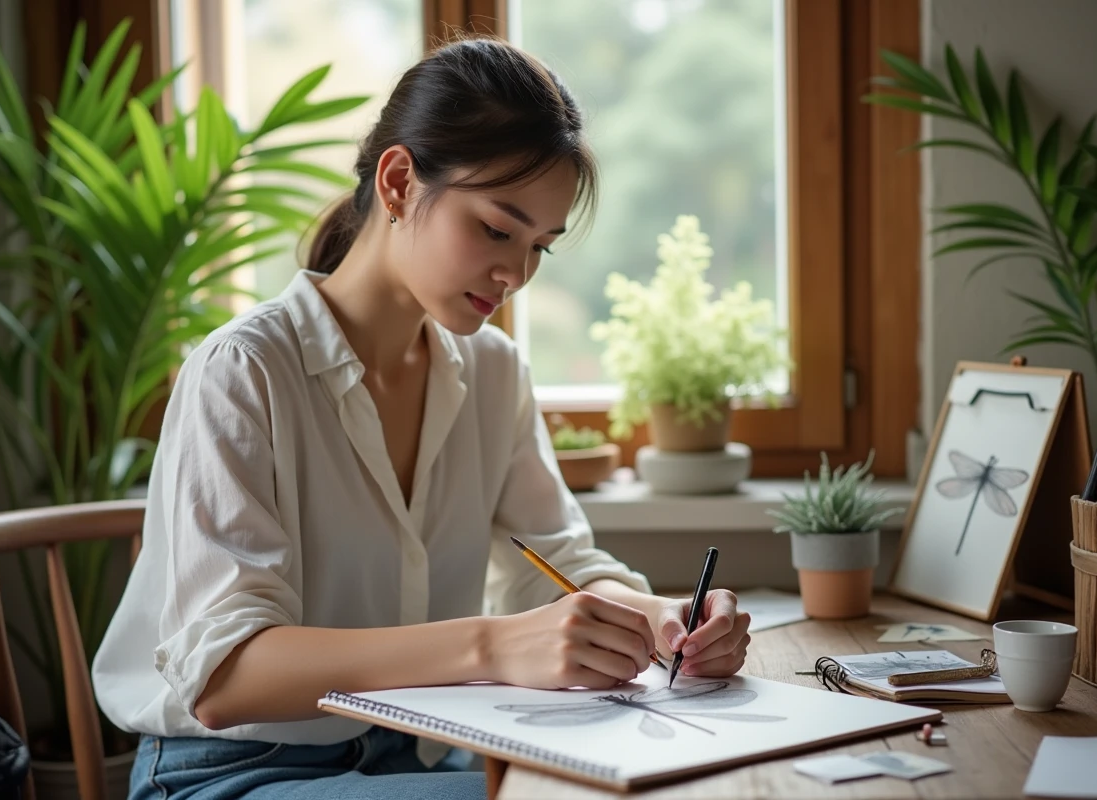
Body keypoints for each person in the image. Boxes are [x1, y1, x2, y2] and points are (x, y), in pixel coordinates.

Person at [91, 35, 752, 800]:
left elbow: (553, 566)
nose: (516, 273)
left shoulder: (494, 372)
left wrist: (663, 617)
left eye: (540, 247)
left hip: (421, 754)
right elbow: (226, 676)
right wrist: (492, 646)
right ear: (400, 182)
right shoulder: (243, 371)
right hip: (234, 771)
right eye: (497, 229)